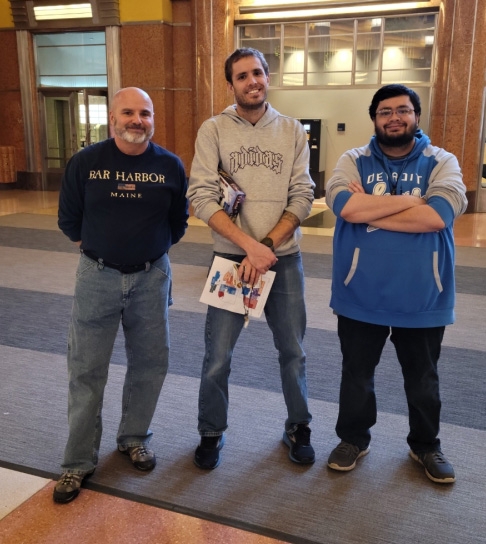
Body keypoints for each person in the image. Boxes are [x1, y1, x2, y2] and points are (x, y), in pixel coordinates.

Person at [325, 84, 467, 484]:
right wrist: (415, 201)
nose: (394, 118)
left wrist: (369, 211)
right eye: (385, 111)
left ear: (416, 116)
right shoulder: (354, 159)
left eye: (402, 110)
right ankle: (353, 439)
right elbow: (343, 205)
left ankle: (426, 445)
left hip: (423, 295)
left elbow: (438, 217)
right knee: (356, 374)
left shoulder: (442, 161)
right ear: (374, 118)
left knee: (423, 378)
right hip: (360, 293)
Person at [54, 87, 189, 503]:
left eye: (144, 113)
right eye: (128, 112)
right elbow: (69, 220)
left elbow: (177, 223)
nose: (137, 120)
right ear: (112, 119)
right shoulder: (86, 162)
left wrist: (146, 254)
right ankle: (78, 462)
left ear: (153, 120)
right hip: (97, 277)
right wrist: (103, 253)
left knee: (150, 363)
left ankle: (133, 437)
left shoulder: (169, 165)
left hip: (152, 278)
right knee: (87, 369)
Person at [187, 48, 315, 469]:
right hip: (229, 259)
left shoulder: (294, 130)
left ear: (267, 76)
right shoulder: (213, 130)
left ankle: (298, 427)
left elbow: (303, 195)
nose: (252, 81)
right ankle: (211, 432)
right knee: (218, 354)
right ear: (231, 85)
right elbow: (201, 196)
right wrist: (249, 246)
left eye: (258, 72)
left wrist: (267, 248)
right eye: (242, 76)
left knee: (293, 350)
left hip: (284, 260)